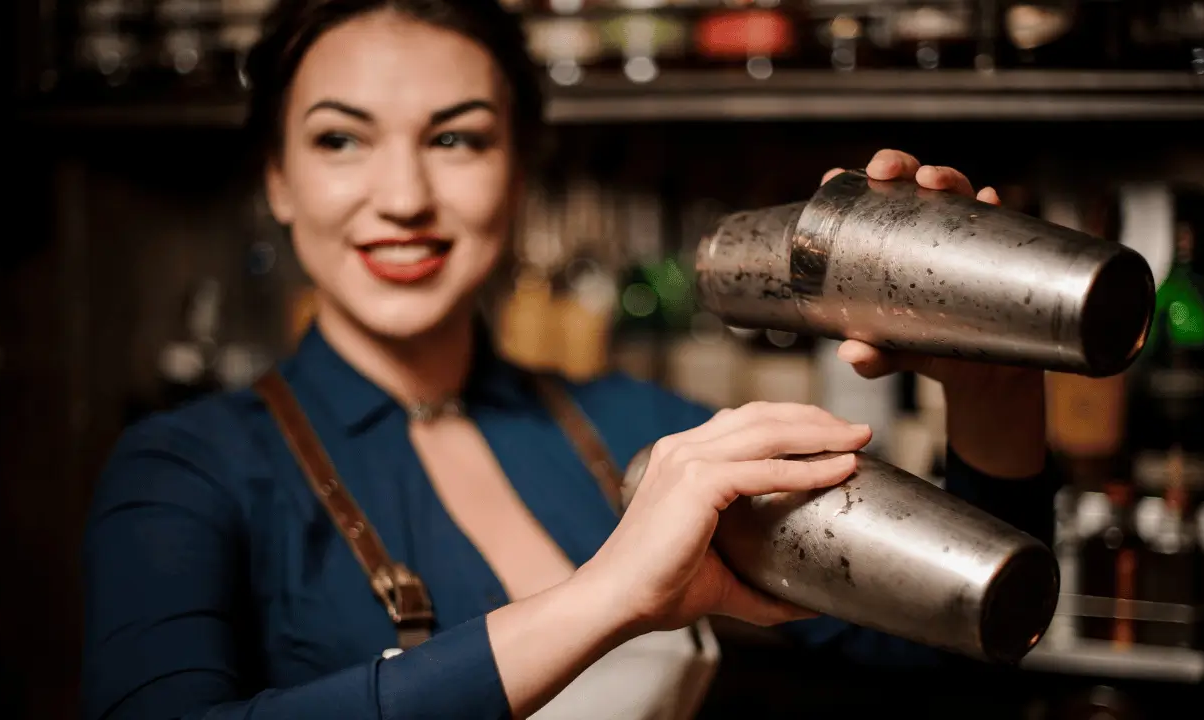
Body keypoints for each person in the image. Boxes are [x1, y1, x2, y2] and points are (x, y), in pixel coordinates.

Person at [79, 1, 1059, 719]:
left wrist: (996, 387)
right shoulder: (185, 471)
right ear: (279, 184)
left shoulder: (642, 431)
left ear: (517, 172)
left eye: (456, 140)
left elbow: (954, 655)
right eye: (341, 140)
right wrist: (605, 599)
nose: (403, 196)